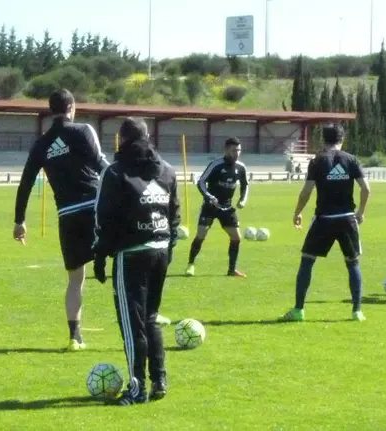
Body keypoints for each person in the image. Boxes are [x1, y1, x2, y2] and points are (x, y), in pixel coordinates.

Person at [92, 117, 181, 405]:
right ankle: (160, 380)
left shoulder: (116, 172)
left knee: (133, 325)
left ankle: (136, 388)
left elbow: (104, 218)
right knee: (151, 318)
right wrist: (169, 247)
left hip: (132, 254)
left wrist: (100, 255)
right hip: (160, 251)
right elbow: (175, 214)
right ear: (148, 137)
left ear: (121, 139)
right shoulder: (167, 170)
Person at [13, 89, 109, 352]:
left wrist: (19, 220)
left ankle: (75, 337)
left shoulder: (41, 144)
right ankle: (144, 315)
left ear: (50, 110)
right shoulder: (83, 130)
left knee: (75, 279)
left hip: (67, 216)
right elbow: (101, 164)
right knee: (126, 260)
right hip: (95, 208)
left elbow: (25, 183)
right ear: (72, 107)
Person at [279, 123, 371, 322]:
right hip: (347, 218)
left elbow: (306, 191)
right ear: (342, 139)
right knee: (352, 263)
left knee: (307, 261)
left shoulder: (317, 161)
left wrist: (297, 212)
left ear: (323, 139)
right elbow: (366, 189)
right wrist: (361, 212)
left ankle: (298, 310)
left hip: (324, 219)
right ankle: (356, 311)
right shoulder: (352, 160)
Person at [185, 137, 249, 277]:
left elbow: (245, 185)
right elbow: (201, 182)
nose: (236, 153)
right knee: (201, 235)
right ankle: (191, 264)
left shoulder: (241, 167)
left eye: (238, 150)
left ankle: (232, 270)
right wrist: (209, 197)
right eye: (233, 150)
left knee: (236, 238)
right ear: (225, 150)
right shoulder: (216, 165)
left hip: (227, 208)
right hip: (210, 207)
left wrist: (242, 200)